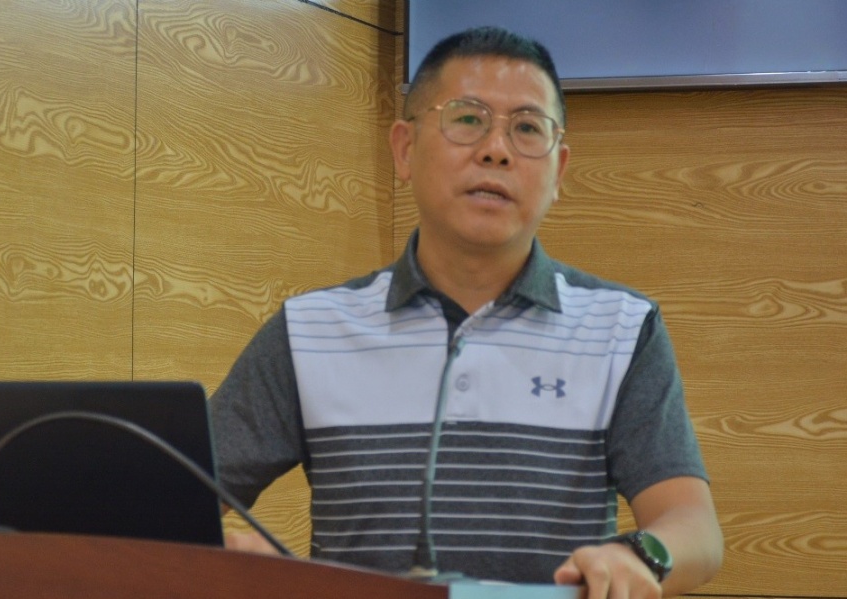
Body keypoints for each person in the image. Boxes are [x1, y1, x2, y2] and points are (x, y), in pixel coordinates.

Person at [212, 26, 722, 598]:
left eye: (527, 128)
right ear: (405, 150)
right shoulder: (310, 331)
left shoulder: (621, 329)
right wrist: (230, 558)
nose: (496, 149)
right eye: (467, 119)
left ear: (558, 172)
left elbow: (694, 526)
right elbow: (170, 501)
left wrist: (641, 554)